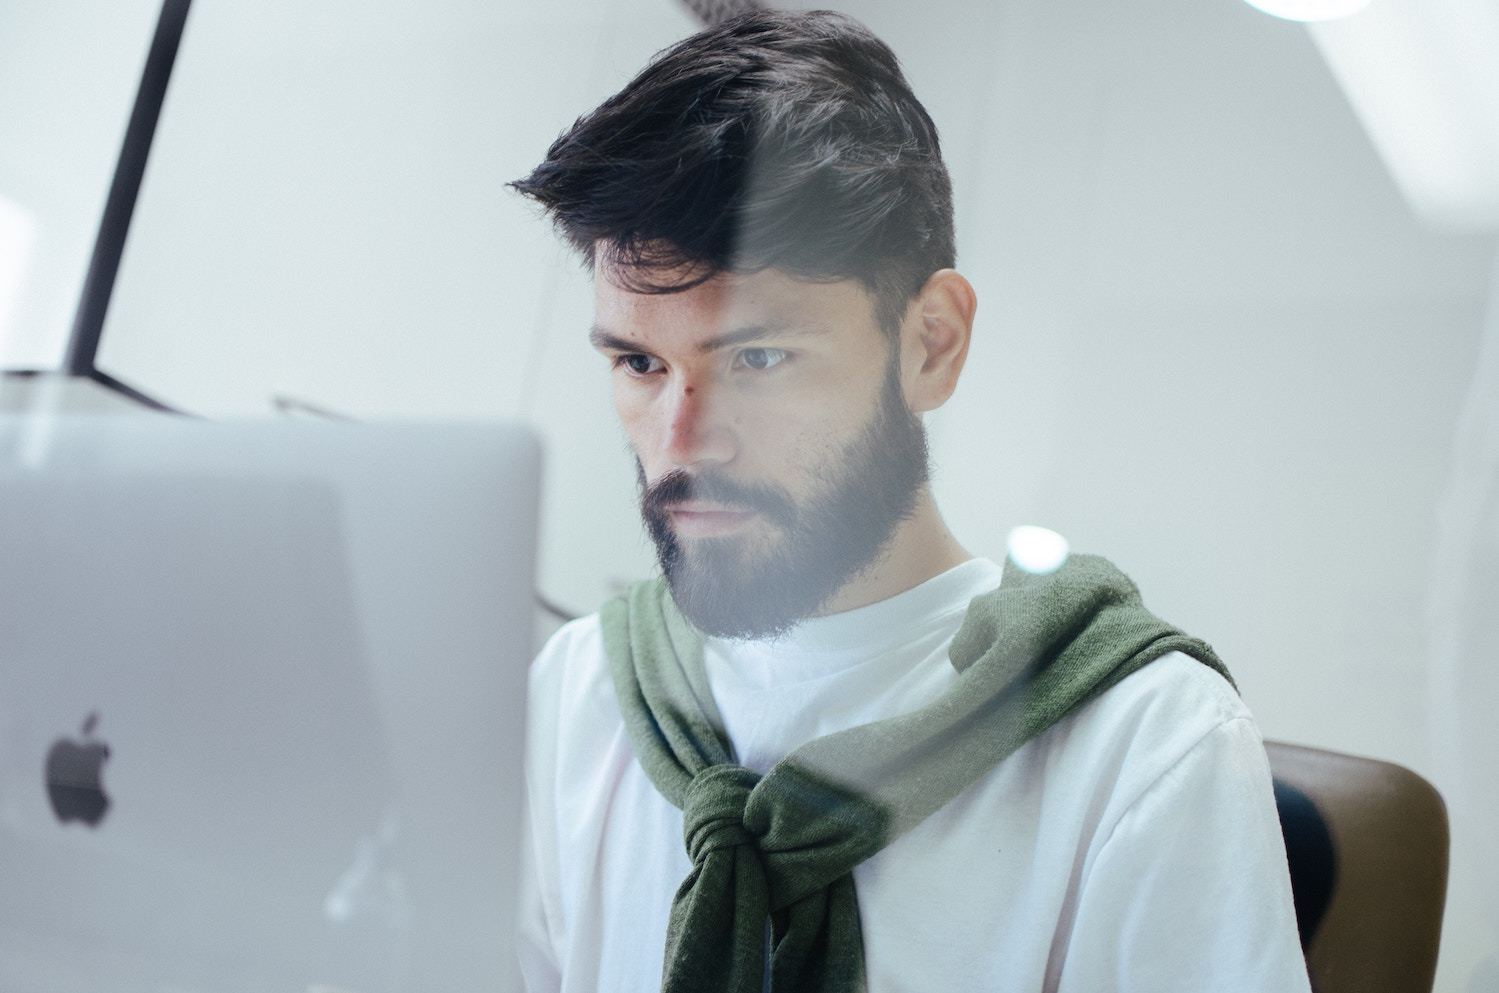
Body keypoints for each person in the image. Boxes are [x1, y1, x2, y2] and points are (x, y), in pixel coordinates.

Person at [510, 10, 1311, 992]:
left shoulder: (1143, 747)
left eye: (758, 357)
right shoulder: (579, 691)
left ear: (929, 343)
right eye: (638, 361)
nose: (679, 441)